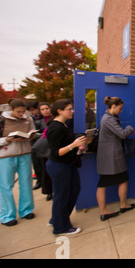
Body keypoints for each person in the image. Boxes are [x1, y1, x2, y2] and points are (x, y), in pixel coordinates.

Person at [0, 98, 36, 226]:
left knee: (26, 183)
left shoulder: (28, 119)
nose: (21, 114)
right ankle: (7, 215)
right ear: (11, 109)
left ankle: (26, 210)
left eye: (23, 111)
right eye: (18, 112)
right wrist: (7, 140)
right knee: (6, 186)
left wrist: (31, 135)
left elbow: (32, 131)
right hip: (6, 155)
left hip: (25, 154)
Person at [46, 99, 87, 235]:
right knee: (62, 196)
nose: (72, 111)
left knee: (72, 191)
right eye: (69, 109)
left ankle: (57, 219)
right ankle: (60, 227)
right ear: (59, 111)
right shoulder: (55, 128)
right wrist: (73, 145)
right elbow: (56, 152)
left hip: (67, 164)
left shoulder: (63, 125)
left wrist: (79, 145)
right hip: (59, 166)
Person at [96, 96, 135, 221]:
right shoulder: (109, 119)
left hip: (108, 157)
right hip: (111, 157)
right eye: (120, 108)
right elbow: (122, 134)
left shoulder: (108, 117)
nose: (121, 111)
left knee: (105, 183)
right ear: (113, 106)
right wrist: (130, 128)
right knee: (120, 180)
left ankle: (115, 207)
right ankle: (113, 208)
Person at [34, 102, 53, 200]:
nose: (45, 110)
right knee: (45, 172)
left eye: (47, 108)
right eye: (43, 109)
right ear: (40, 111)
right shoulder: (38, 122)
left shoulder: (55, 119)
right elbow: (35, 135)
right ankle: (48, 191)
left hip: (53, 148)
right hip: (44, 150)